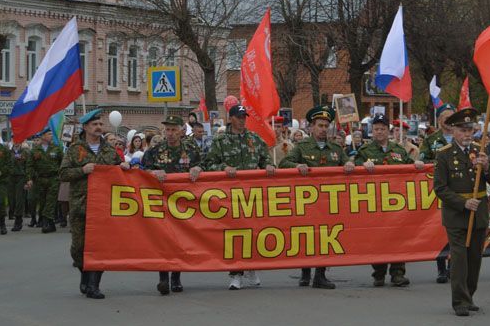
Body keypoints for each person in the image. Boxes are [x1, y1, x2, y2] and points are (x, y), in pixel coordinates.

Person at [433, 107, 490, 317]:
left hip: (479, 212)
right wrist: (463, 204)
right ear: (453, 131)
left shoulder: (479, 151)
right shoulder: (444, 155)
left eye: (470, 130)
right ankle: (459, 300)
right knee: (460, 258)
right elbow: (440, 188)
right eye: (462, 130)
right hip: (457, 214)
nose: (467, 134)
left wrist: (487, 165)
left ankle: (469, 295)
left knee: (474, 258)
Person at [280, 105, 355, 290]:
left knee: (325, 237)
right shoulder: (302, 147)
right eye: (319, 125)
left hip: (329, 202)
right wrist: (297, 166)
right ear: (312, 127)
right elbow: (284, 163)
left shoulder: (336, 148)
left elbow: (348, 162)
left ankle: (320, 275)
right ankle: (305, 271)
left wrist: (350, 165)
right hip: (307, 201)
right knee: (307, 236)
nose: (323, 129)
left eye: (325, 126)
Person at [59, 109, 128, 299]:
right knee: (78, 248)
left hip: (103, 206)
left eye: (100, 124)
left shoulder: (109, 150)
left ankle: (94, 284)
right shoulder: (75, 149)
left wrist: (123, 168)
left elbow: (119, 173)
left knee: (100, 247)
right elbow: (63, 174)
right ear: (86, 127)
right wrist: (82, 170)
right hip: (81, 205)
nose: (98, 127)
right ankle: (84, 274)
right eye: (94, 125)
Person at [206, 105, 274, 290]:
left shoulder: (254, 139)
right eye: (239, 117)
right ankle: (236, 273)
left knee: (253, 232)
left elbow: (266, 159)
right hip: (230, 196)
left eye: (244, 116)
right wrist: (223, 168)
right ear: (231, 118)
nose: (243, 120)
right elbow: (208, 164)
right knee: (235, 234)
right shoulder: (221, 140)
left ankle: (251, 267)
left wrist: (268, 165)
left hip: (252, 195)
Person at [355, 113, 425, 287]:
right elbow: (353, 170)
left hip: (397, 203)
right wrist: (361, 166)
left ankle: (398, 273)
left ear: (388, 130)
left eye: (383, 129)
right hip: (375, 203)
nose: (379, 132)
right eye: (376, 129)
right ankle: (378, 272)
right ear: (372, 131)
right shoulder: (364, 152)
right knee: (379, 238)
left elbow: (410, 166)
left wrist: (416, 165)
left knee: (398, 237)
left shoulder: (399, 150)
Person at [143, 115, 204, 295]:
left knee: (179, 240)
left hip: (183, 204)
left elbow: (204, 164)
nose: (169, 133)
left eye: (173, 130)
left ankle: (176, 277)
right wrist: (153, 172)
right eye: (167, 129)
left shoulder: (191, 149)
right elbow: (142, 169)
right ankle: (163, 278)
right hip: (160, 203)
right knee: (163, 239)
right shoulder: (156, 150)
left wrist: (198, 168)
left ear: (181, 131)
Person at [418, 103, 456, 283]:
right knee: (438, 230)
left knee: (456, 230)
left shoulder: (462, 137)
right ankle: (441, 267)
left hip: (458, 191)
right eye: (445, 117)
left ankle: (454, 267)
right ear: (439, 120)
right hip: (437, 191)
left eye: (451, 117)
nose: (448, 120)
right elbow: (422, 159)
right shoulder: (431, 140)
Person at [28, 129, 64, 233]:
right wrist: (29, 178)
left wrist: (61, 175)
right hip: (40, 179)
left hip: (53, 178)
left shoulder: (57, 148)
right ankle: (51, 223)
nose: (51, 136)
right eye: (49, 134)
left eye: (51, 134)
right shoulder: (35, 150)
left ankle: (46, 222)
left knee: (51, 201)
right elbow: (30, 166)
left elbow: (63, 162)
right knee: (43, 201)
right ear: (42, 136)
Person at [8, 140, 31, 231]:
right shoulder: (8, 152)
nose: (16, 142)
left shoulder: (25, 152)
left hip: (21, 177)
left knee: (19, 199)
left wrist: (28, 180)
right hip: (10, 178)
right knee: (12, 199)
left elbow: (28, 166)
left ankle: (18, 220)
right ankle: (13, 214)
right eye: (15, 140)